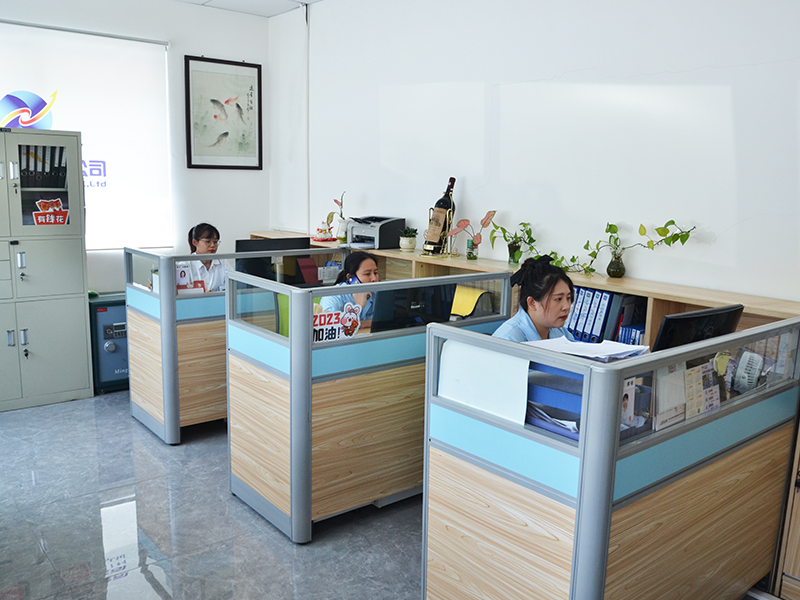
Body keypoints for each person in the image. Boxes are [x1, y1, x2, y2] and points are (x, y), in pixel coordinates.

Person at [492, 255, 575, 343]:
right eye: (558, 299)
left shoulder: (561, 333)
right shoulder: (508, 339)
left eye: (568, 298)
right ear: (532, 303)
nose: (566, 307)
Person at [320, 251, 380, 319]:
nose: (374, 278)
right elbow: (329, 323)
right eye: (367, 274)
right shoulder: (333, 296)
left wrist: (364, 323)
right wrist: (358, 306)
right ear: (350, 278)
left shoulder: (378, 294)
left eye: (375, 273)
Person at [187, 222, 226, 292]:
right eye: (208, 241)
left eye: (215, 242)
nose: (212, 245)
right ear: (195, 242)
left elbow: (233, 286)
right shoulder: (185, 265)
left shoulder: (223, 262)